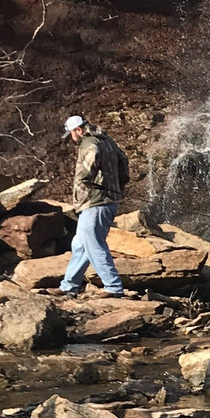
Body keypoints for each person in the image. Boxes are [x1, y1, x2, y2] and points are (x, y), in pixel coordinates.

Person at [58, 115, 129, 298]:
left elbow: (87, 167)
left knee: (95, 245)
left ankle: (113, 288)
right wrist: (118, 185)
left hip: (95, 202)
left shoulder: (90, 143)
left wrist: (84, 180)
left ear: (78, 130)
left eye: (71, 133)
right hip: (107, 201)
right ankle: (69, 286)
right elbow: (124, 160)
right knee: (81, 245)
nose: (72, 138)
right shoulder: (107, 140)